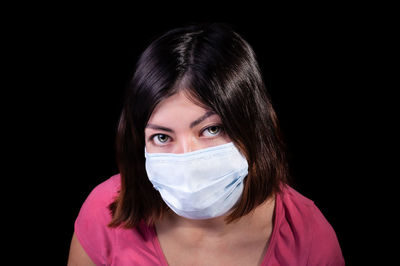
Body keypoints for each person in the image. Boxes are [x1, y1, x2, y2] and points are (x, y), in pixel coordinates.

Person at [68, 23, 344, 265]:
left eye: (212, 129)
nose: (189, 159)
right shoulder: (105, 212)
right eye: (162, 137)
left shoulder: (308, 236)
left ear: (252, 126)